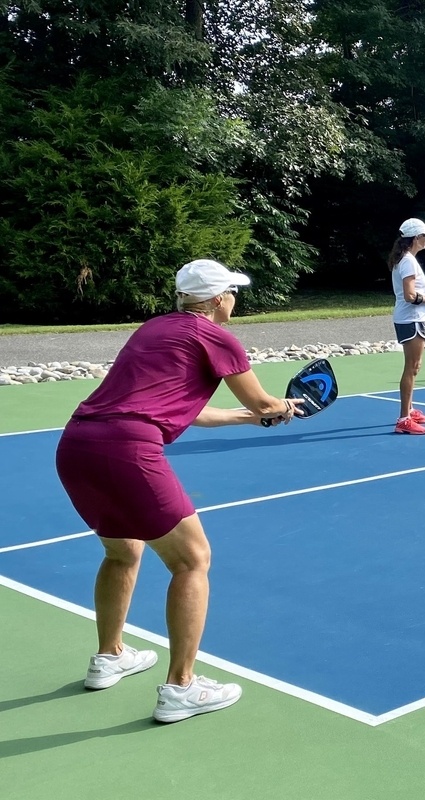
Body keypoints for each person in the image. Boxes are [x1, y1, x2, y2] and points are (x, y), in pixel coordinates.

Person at [56, 259, 303, 723]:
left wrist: (253, 417)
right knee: (192, 561)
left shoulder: (157, 329)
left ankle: (109, 657)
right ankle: (181, 688)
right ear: (215, 300)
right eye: (231, 292)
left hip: (78, 445)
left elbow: (183, 411)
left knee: (123, 552)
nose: (234, 299)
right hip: (128, 451)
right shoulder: (216, 335)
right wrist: (279, 407)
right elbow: (264, 401)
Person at [389, 217, 425, 434]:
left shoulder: (407, 260)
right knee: (411, 368)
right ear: (416, 238)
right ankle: (403, 419)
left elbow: (419, 287)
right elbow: (410, 295)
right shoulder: (408, 261)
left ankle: (410, 410)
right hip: (411, 319)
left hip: (414, 319)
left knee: (415, 367)